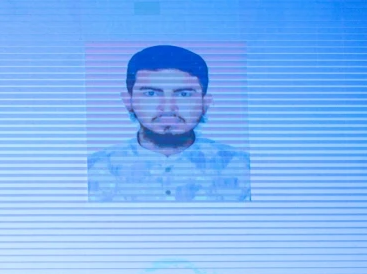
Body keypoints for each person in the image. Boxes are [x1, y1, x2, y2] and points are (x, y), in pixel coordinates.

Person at [88, 45, 250, 202]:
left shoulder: (244, 168)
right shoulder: (92, 169)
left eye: (184, 94)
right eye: (151, 94)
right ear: (128, 101)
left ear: (205, 103)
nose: (168, 107)